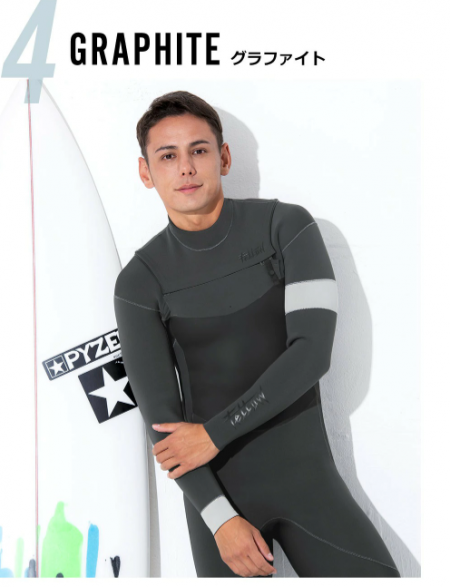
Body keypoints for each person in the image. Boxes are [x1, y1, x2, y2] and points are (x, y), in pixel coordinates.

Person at [113, 90, 401, 578]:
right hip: (218, 504)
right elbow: (163, 425)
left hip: (310, 485)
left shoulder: (286, 227)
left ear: (224, 157)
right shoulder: (139, 283)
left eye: (199, 150)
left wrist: (214, 433)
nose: (186, 168)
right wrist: (220, 520)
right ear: (146, 172)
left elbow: (311, 354)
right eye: (168, 156)